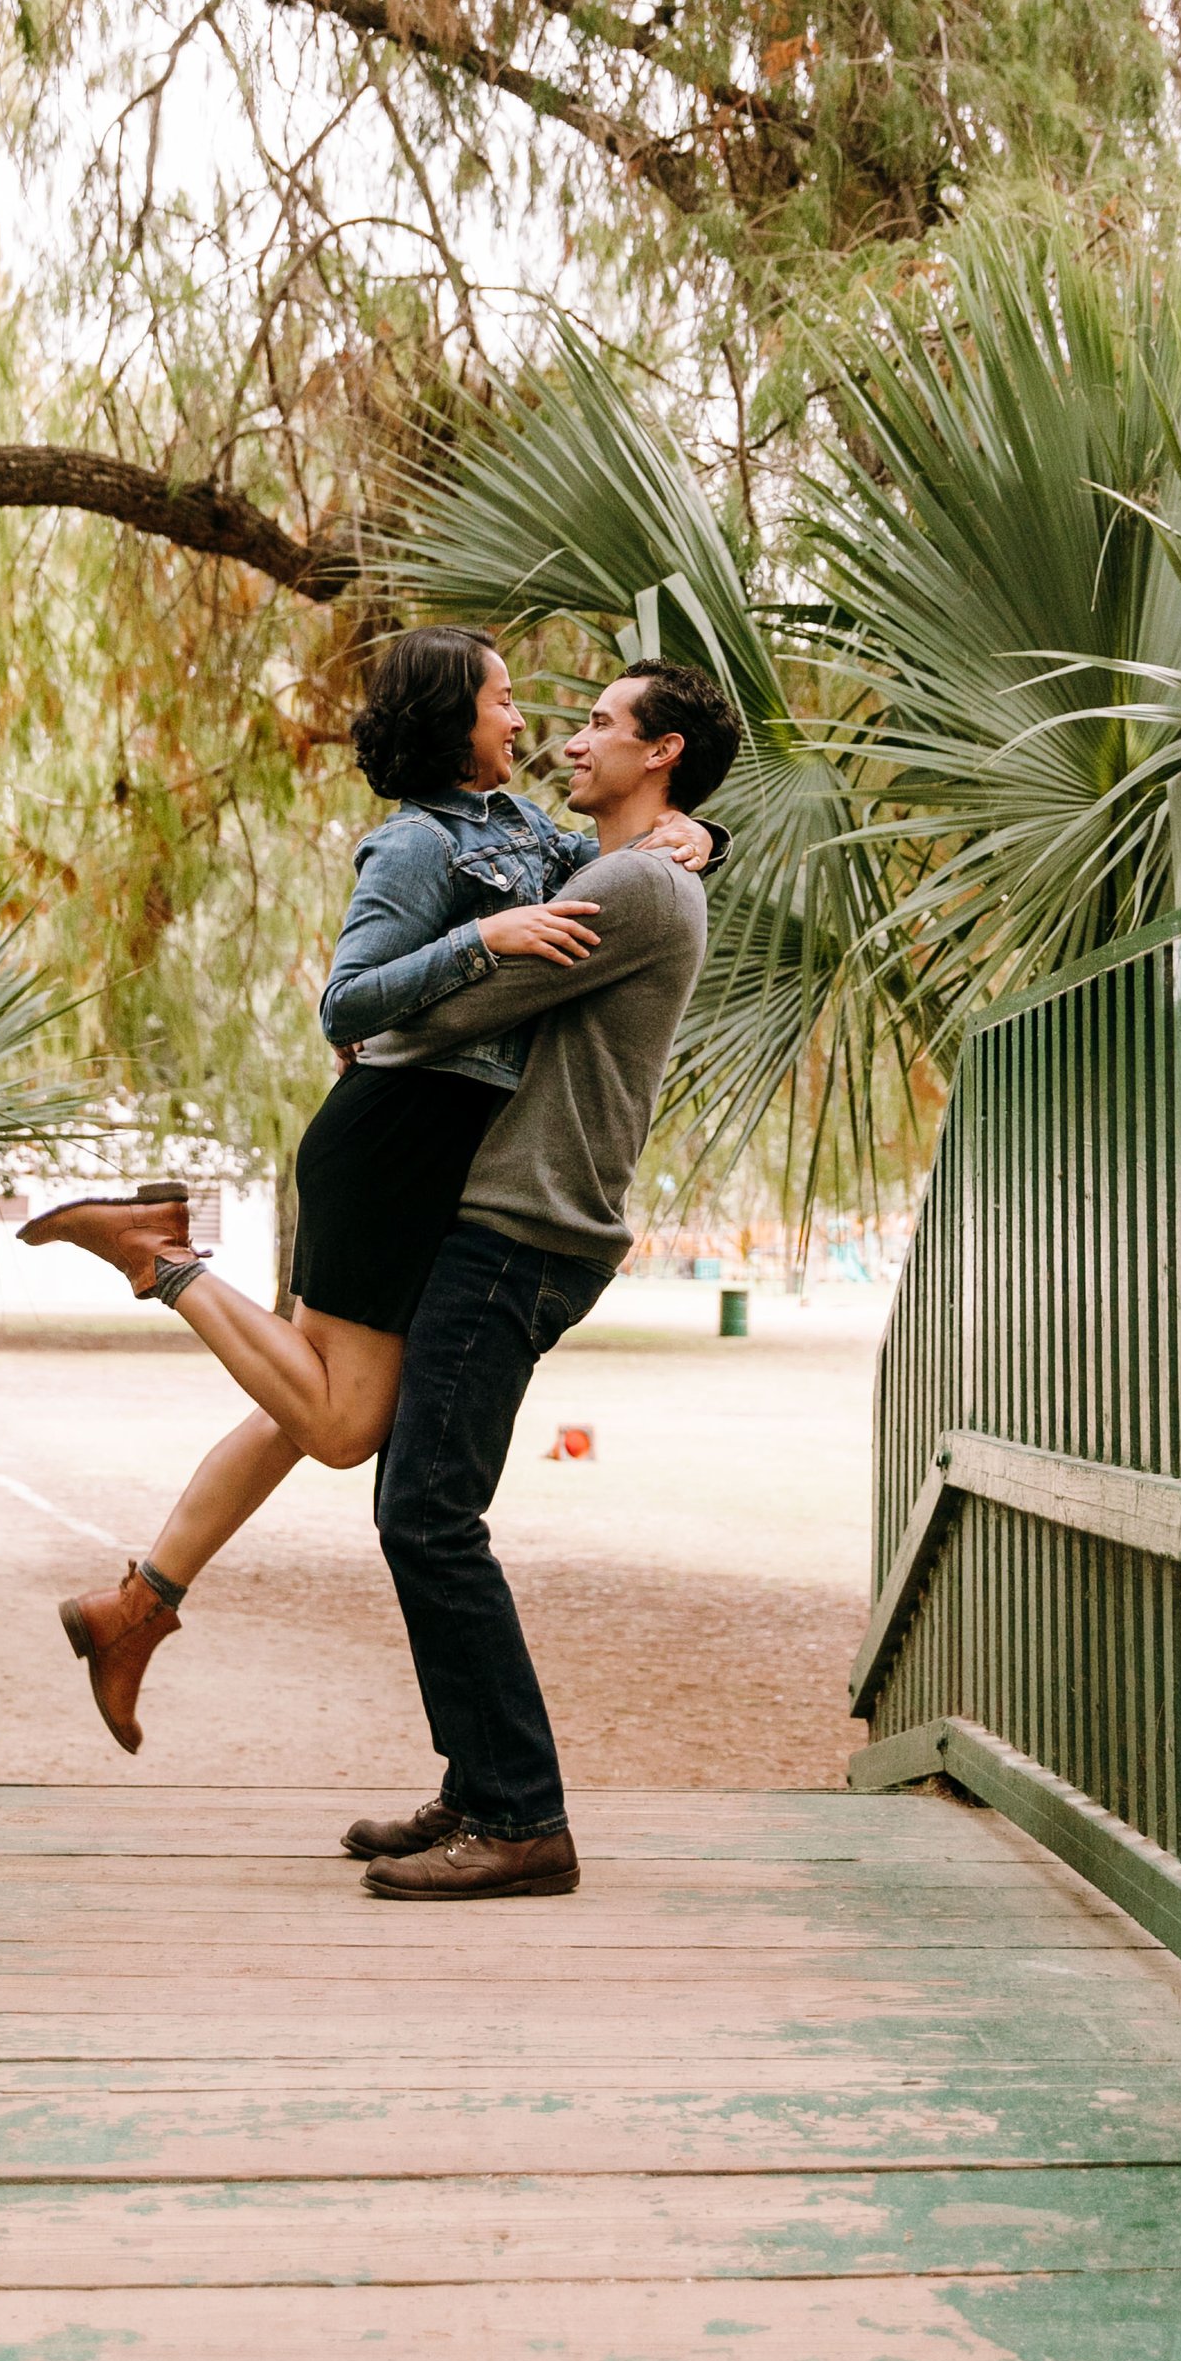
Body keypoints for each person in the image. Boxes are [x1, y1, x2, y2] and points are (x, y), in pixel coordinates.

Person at [21, 628, 717, 1747]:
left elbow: (631, 866)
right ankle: (158, 1254)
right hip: (398, 1133)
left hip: (438, 1142)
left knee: (307, 1408)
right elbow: (349, 1003)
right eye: (504, 700)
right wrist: (480, 943)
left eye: (583, 720)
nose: (532, 724)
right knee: (343, 1426)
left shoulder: (525, 826)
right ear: (455, 718)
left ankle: (138, 1607)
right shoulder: (413, 844)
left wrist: (696, 827)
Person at [344, 654, 743, 1901]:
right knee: (424, 1507)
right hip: (527, 1224)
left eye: (600, 725)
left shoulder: (629, 886)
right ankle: (478, 1787)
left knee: (427, 1515)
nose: (573, 742)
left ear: (659, 754)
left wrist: (388, 1022)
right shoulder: (632, 870)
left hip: (522, 1227)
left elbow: (446, 1015)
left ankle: (520, 1818)